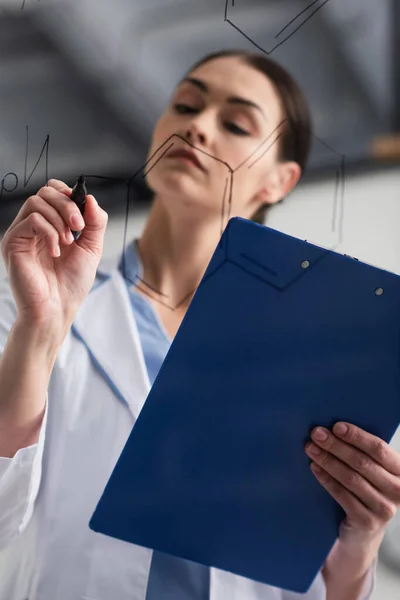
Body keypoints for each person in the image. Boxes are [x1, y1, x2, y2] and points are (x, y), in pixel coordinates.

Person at [0, 48, 399, 600]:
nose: (198, 127)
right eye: (186, 105)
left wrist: (361, 543)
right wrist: (41, 330)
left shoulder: (308, 356)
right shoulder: (31, 302)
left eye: (235, 123)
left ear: (279, 182)